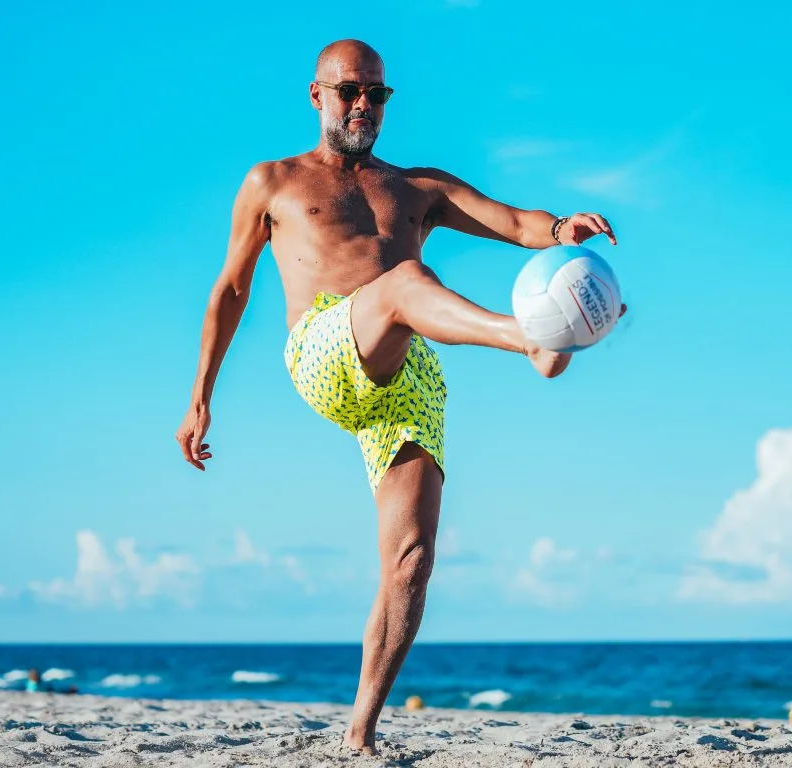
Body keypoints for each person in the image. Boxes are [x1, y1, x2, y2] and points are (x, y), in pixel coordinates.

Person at [175, 39, 620, 755]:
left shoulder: (417, 188)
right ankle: (535, 339)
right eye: (349, 91)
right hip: (322, 350)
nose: (363, 106)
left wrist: (563, 230)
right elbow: (231, 289)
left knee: (411, 559)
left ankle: (360, 734)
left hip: (407, 374)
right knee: (408, 282)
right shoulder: (273, 182)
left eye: (376, 95)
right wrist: (200, 397)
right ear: (316, 94)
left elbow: (512, 222)